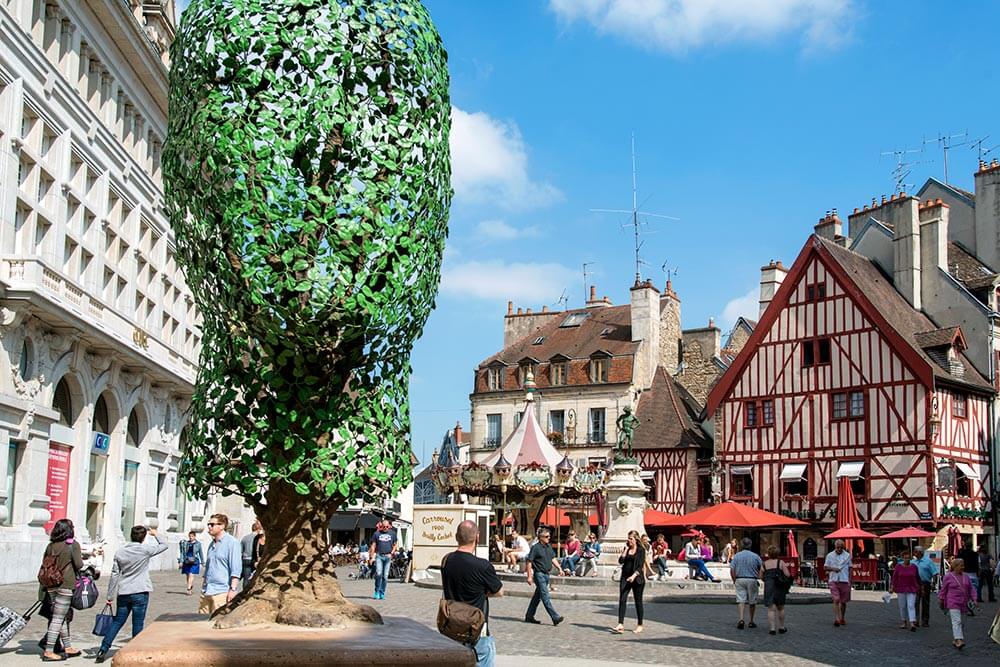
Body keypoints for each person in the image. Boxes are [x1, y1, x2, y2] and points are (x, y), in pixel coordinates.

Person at [94, 526, 168, 663]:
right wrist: (156, 533)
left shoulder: (120, 552)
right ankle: (136, 651)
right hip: (140, 590)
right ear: (144, 537)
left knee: (117, 622)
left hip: (124, 591)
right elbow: (164, 545)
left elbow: (115, 575)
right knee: (138, 623)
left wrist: (110, 596)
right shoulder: (145, 550)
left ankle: (103, 649)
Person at [441, 520, 503, 667]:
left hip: (453, 624)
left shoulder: (446, 560)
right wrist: (483, 593)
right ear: (478, 537)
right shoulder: (483, 565)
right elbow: (499, 591)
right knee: (483, 657)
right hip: (476, 626)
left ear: (456, 537)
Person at [38, 518, 83, 661]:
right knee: (58, 618)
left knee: (61, 616)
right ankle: (49, 651)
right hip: (65, 584)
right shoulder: (72, 545)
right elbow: (79, 564)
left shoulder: (51, 546)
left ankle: (68, 647)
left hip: (51, 584)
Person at [200, 513, 242, 615]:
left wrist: (233, 589)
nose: (209, 527)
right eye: (208, 524)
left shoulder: (232, 543)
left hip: (221, 592)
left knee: (216, 623)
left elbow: (236, 568)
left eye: (212, 524)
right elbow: (209, 567)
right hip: (207, 590)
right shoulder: (212, 544)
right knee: (200, 623)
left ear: (222, 526)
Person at [524, 528, 564, 626]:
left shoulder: (548, 546)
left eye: (549, 536)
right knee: (545, 596)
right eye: (546, 536)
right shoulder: (535, 548)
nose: (548, 538)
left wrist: (559, 568)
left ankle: (529, 616)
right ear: (540, 537)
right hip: (539, 574)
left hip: (546, 574)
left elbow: (553, 558)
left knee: (537, 597)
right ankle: (555, 617)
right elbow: (529, 562)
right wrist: (529, 576)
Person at [611, 530, 646, 634]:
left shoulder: (641, 550)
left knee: (638, 602)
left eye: (631, 538)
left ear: (636, 539)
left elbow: (640, 566)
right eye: (628, 538)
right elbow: (620, 561)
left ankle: (640, 624)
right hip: (625, 577)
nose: (629, 540)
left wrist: (634, 576)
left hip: (637, 579)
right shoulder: (627, 549)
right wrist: (625, 551)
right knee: (622, 599)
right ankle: (620, 624)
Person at [939, 557, 976, 650]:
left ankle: (956, 638)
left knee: (962, 622)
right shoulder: (948, 576)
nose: (963, 567)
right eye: (961, 565)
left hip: (964, 602)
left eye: (963, 565)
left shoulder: (966, 576)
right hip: (953, 602)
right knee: (957, 621)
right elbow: (943, 590)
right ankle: (959, 639)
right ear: (955, 566)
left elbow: (971, 589)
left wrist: (974, 599)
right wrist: (941, 599)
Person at [730, 538, 763, 629]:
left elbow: (732, 569)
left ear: (741, 545)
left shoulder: (737, 556)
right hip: (752, 579)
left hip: (740, 579)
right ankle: (751, 621)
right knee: (752, 601)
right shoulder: (755, 556)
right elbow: (762, 567)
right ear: (750, 545)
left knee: (741, 600)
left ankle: (741, 619)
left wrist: (734, 580)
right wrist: (760, 576)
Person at [761, 545, 790, 635]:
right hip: (779, 587)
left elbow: (760, 576)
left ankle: (772, 628)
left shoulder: (764, 564)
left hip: (769, 587)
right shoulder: (781, 563)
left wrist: (767, 579)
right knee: (781, 608)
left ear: (768, 554)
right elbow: (787, 574)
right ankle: (781, 627)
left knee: (771, 609)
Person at [824, 539, 852, 627]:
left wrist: (850, 580)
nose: (839, 549)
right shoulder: (830, 555)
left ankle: (842, 618)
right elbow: (825, 567)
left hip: (844, 580)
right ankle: (836, 618)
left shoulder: (847, 556)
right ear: (835, 547)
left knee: (843, 602)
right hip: (833, 580)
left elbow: (850, 568)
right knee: (836, 599)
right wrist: (833, 569)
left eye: (841, 547)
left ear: (843, 547)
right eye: (837, 547)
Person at [890, 551, 919, 631]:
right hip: (901, 588)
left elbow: (917, 577)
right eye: (905, 558)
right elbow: (894, 578)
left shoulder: (914, 567)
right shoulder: (898, 567)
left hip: (912, 588)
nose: (907, 559)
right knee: (902, 606)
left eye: (908, 558)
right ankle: (904, 621)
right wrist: (892, 586)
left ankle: (912, 623)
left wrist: (919, 587)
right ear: (902, 558)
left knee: (911, 605)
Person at [369, 520, 397, 600]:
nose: (385, 528)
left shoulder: (392, 533)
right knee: (378, 573)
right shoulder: (377, 534)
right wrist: (371, 557)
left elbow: (395, 545)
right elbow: (373, 546)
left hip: (388, 556)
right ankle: (377, 591)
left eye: (387, 527)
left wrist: (392, 553)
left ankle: (382, 592)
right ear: (381, 526)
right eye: (383, 527)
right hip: (379, 556)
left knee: (385, 576)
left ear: (389, 526)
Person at [912, 546, 935, 628]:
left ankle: (925, 621)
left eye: (915, 552)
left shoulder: (928, 561)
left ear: (920, 552)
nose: (914, 553)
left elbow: (934, 573)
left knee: (925, 603)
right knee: (915, 603)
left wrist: (933, 583)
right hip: (915, 584)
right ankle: (916, 620)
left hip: (925, 583)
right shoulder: (913, 562)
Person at [177, 530, 204, 596]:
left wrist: (202, 562)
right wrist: (181, 561)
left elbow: (201, 553)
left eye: (192, 536)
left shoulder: (198, 544)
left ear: (195, 536)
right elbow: (182, 553)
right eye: (190, 536)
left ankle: (188, 589)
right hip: (186, 560)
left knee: (191, 574)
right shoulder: (186, 543)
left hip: (194, 561)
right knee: (187, 575)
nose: (190, 537)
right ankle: (190, 585)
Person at [240, 520, 261, 586]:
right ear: (258, 529)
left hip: (245, 559)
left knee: (246, 579)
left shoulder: (245, 538)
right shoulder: (259, 538)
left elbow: (240, 550)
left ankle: (244, 593)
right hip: (254, 560)